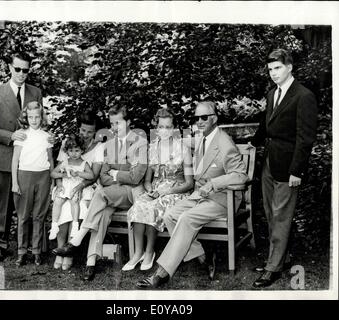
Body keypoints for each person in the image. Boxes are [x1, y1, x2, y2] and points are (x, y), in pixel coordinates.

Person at [136, 101, 249, 289]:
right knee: (170, 215)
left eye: (205, 117)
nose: (200, 121)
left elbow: (241, 176)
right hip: (201, 196)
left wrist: (213, 184)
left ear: (215, 118)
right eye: (197, 118)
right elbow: (177, 142)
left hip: (222, 198)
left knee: (186, 218)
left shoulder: (224, 142)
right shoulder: (203, 138)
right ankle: (203, 256)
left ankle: (161, 272)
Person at [52, 105, 148, 281]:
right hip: (112, 192)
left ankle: (77, 238)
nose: (114, 127)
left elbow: (136, 178)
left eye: (118, 123)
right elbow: (102, 177)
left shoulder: (140, 143)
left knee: (100, 194)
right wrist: (118, 177)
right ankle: (91, 262)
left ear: (129, 122)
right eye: (111, 124)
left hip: (130, 194)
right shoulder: (109, 145)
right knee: (101, 214)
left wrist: (116, 175)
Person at [251, 49, 318, 288]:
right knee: (271, 214)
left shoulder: (303, 96)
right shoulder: (272, 94)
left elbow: (305, 138)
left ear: (289, 67)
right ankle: (282, 257)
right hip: (270, 162)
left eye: (277, 68)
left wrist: (297, 171)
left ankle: (273, 268)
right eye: (270, 69)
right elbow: (266, 124)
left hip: (289, 166)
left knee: (281, 217)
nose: (273, 73)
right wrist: (251, 143)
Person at [0, 52, 43, 262]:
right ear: (9, 68)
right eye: (18, 69)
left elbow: (41, 122)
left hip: (31, 162)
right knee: (3, 206)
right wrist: (10, 136)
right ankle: (1, 245)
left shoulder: (36, 92)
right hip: (6, 158)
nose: (21, 74)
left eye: (26, 70)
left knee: (31, 206)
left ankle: (32, 247)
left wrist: (47, 139)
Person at [123, 108, 194, 271]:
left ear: (174, 127)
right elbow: (148, 180)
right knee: (139, 205)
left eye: (168, 127)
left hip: (177, 191)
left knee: (154, 207)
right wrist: (149, 190)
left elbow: (189, 183)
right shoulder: (152, 148)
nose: (164, 131)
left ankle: (149, 252)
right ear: (156, 127)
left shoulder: (182, 149)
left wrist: (166, 192)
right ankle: (138, 252)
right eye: (161, 127)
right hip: (156, 190)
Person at [52, 110, 105, 270]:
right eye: (83, 130)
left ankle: (69, 252)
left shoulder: (99, 147)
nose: (86, 134)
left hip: (87, 186)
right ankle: (62, 250)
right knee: (63, 206)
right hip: (67, 184)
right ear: (78, 128)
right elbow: (58, 170)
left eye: (90, 131)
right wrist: (60, 183)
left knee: (78, 206)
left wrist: (80, 186)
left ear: (95, 131)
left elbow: (94, 175)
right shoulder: (68, 143)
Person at [11, 101, 54, 266]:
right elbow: (15, 160)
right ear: (26, 117)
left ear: (41, 117)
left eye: (37, 116)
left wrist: (51, 181)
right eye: (30, 117)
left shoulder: (47, 136)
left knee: (39, 215)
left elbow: (50, 160)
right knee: (23, 216)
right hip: (24, 177)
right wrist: (15, 182)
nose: (34, 120)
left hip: (42, 177)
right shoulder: (21, 134)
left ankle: (36, 251)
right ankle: (21, 252)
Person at [49, 134, 94, 241]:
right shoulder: (65, 162)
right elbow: (53, 173)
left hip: (76, 187)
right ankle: (54, 225)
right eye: (71, 150)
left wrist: (79, 173)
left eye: (77, 150)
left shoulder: (84, 163)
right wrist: (63, 176)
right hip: (65, 186)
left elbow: (91, 176)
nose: (74, 154)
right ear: (67, 151)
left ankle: (75, 225)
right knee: (58, 200)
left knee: (75, 201)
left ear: (82, 150)